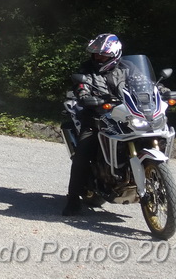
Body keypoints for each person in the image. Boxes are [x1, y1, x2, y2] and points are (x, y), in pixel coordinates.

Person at [62, 33, 129, 216]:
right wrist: (85, 97)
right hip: (96, 118)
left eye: (103, 55)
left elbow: (145, 83)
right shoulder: (86, 70)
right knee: (82, 154)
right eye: (96, 54)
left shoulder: (127, 69)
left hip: (125, 117)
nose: (98, 58)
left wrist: (162, 91)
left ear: (115, 54)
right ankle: (73, 199)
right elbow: (80, 87)